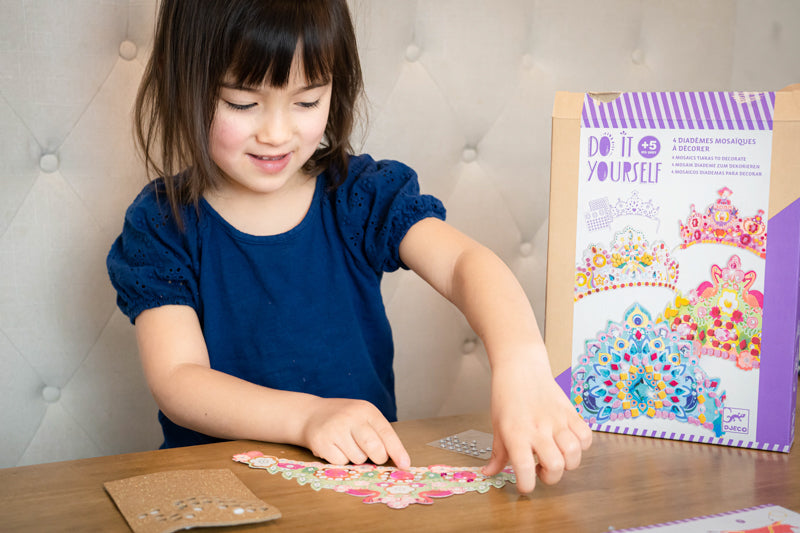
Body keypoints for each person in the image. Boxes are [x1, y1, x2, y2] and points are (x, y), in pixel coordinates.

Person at [107, 0, 591, 494]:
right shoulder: (162, 223)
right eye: (242, 103)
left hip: (360, 488)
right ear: (184, 84)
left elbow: (463, 263)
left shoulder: (358, 194)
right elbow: (179, 378)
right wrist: (307, 417)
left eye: (307, 101)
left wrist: (521, 362)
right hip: (220, 490)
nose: (276, 133)